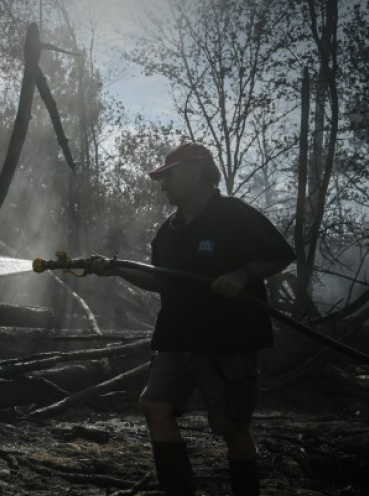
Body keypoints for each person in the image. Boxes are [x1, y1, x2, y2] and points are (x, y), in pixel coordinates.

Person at [89, 143, 296, 496]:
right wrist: (117, 269)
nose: (163, 186)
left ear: (195, 171)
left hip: (228, 341)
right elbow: (160, 280)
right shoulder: (167, 231)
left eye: (169, 176)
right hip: (175, 339)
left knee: (233, 430)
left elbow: (281, 254)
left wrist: (243, 274)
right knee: (155, 406)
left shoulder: (234, 214)